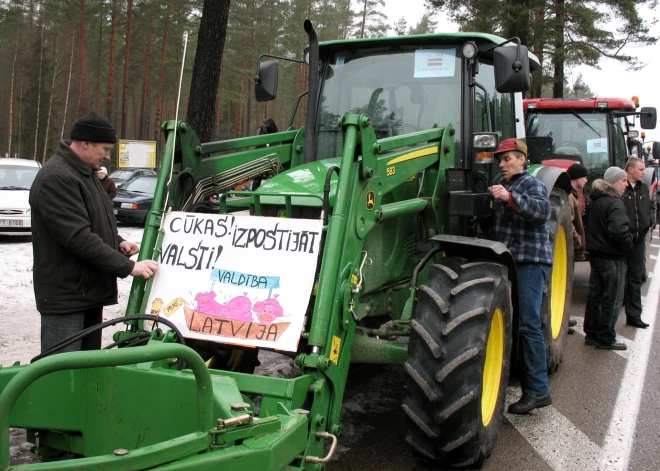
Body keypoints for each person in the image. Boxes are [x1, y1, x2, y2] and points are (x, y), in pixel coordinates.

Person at [30, 111, 158, 355]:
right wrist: (128, 267)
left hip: (86, 293)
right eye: (105, 149)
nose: (108, 156)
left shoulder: (84, 173)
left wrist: (117, 242)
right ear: (85, 143)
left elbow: (91, 222)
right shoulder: (57, 177)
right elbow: (77, 237)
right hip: (66, 298)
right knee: (60, 376)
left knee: (85, 375)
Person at [488, 138, 553, 415]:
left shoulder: (529, 184)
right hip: (513, 261)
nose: (502, 164)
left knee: (528, 324)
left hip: (528, 261)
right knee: (518, 324)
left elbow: (541, 212)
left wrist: (509, 198)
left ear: (522, 160)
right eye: (500, 160)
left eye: (507, 159)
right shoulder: (509, 185)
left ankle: (538, 390)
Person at [583, 167, 633, 350]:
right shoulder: (615, 203)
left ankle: (591, 333)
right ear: (613, 182)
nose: (626, 184)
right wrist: (628, 246)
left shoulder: (595, 202)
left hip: (596, 254)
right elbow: (618, 231)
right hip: (613, 256)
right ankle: (605, 337)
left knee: (596, 295)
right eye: (623, 180)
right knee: (613, 297)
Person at [622, 157, 652, 328]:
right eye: (641, 169)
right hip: (622, 240)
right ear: (630, 170)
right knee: (618, 280)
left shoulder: (643, 189)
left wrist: (649, 222)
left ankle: (634, 316)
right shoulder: (621, 189)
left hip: (639, 240)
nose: (644, 172)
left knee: (635, 279)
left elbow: (649, 207)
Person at [566, 163, 587, 261]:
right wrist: (578, 241)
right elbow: (568, 222)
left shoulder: (573, 195)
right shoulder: (569, 196)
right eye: (584, 177)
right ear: (577, 178)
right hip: (571, 247)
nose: (586, 181)